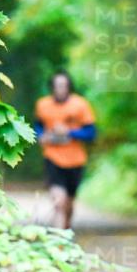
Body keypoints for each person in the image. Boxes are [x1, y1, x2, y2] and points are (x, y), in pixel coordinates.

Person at [34, 71, 97, 229]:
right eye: (56, 86)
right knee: (58, 202)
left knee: (68, 205)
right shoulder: (43, 105)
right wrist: (41, 136)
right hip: (52, 158)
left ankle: (65, 234)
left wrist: (69, 132)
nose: (60, 89)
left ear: (69, 87)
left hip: (75, 160)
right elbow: (38, 126)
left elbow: (91, 133)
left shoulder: (80, 105)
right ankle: (59, 244)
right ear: (52, 87)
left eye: (63, 85)